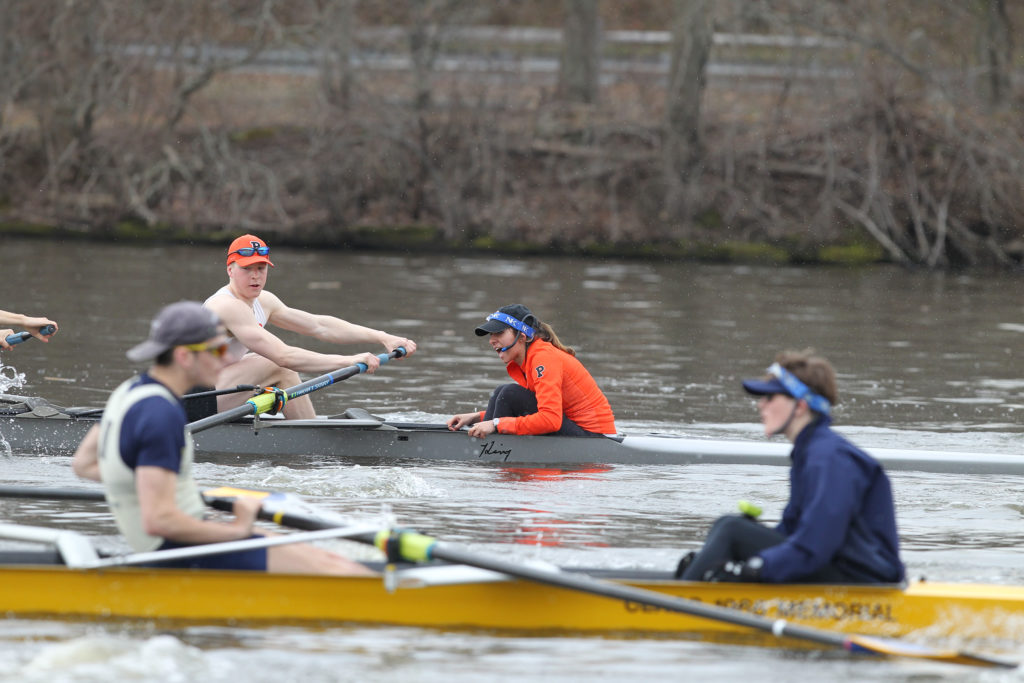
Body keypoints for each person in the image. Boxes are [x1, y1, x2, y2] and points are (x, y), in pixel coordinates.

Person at [71, 301, 373, 575]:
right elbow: (159, 521)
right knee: (334, 568)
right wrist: (240, 528)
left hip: (181, 538)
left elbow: (84, 464)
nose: (226, 358)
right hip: (178, 553)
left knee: (318, 555)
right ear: (183, 356)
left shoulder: (129, 391)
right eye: (216, 350)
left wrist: (165, 487)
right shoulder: (161, 415)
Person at [675, 349, 904, 585]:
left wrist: (755, 567)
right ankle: (688, 587)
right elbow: (792, 533)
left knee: (732, 530)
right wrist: (725, 555)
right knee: (731, 526)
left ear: (801, 406)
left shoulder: (828, 457)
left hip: (865, 583)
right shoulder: (809, 451)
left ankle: (677, 608)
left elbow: (816, 544)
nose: (760, 405)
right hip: (835, 566)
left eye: (770, 397)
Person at [202, 234, 417, 419]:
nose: (256, 275)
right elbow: (284, 355)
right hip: (188, 401)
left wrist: (382, 337)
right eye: (247, 269)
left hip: (213, 389)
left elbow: (319, 326)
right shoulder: (226, 306)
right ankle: (310, 444)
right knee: (277, 364)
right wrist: (349, 360)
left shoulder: (264, 301)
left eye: (261, 268)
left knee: (281, 371)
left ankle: (306, 432)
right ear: (230, 270)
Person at [448, 304, 616, 438]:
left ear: (522, 336)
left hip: (594, 437)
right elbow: (535, 410)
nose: (492, 340)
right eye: (491, 334)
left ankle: (491, 452)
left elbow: (551, 420)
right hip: (577, 429)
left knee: (510, 394)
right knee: (502, 392)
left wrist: (496, 424)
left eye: (498, 332)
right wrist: (477, 417)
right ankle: (487, 444)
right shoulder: (531, 358)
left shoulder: (543, 358)